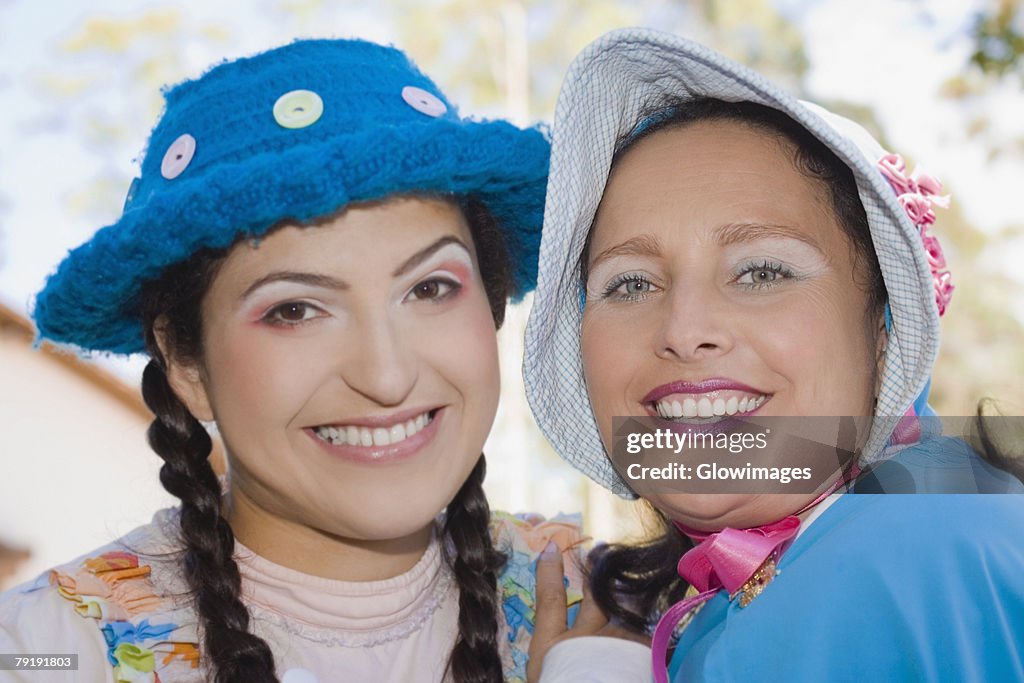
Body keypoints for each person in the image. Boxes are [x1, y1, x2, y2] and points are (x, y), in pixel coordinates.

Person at [0, 37, 608, 683]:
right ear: (187, 367)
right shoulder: (45, 650)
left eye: (430, 288)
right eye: (294, 310)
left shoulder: (606, 609)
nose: (387, 375)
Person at [524, 28, 1024, 682]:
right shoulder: (765, 582)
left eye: (761, 272)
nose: (684, 327)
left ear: (883, 328)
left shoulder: (919, 542)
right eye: (632, 282)